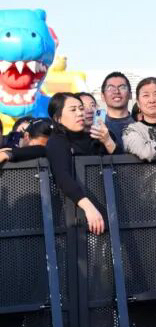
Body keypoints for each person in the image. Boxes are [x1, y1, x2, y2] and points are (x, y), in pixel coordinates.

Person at [42, 93, 106, 235]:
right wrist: (89, 208)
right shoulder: (57, 141)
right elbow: (62, 176)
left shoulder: (95, 137)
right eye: (73, 110)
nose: (80, 113)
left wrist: (108, 141)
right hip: (77, 217)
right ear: (58, 118)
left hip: (106, 205)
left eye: (81, 108)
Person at [101, 72, 134, 153]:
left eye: (122, 87)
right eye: (110, 88)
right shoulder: (97, 127)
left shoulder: (140, 125)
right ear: (102, 96)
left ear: (130, 95)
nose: (116, 91)